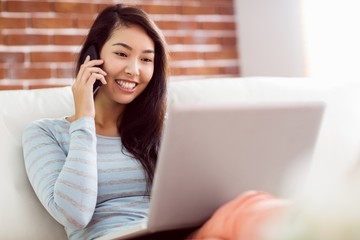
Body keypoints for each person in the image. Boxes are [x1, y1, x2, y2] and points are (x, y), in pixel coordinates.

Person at [22, 3, 290, 240]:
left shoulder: (166, 129)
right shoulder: (46, 134)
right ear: (93, 57)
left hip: (182, 233)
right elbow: (74, 214)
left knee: (251, 205)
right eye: (122, 54)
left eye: (146, 59)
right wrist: (84, 120)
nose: (134, 70)